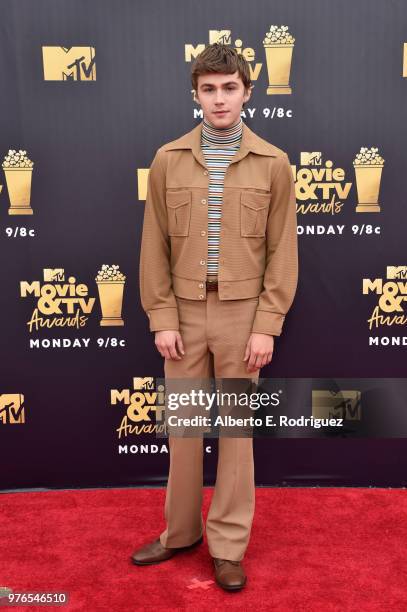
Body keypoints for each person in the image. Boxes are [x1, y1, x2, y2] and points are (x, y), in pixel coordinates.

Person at [132, 43, 298, 592]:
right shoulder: (167, 159)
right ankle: (180, 533)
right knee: (182, 431)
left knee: (235, 435)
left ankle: (228, 545)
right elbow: (153, 244)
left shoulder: (273, 163)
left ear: (248, 92)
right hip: (182, 314)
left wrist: (265, 324)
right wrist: (162, 315)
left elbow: (283, 253)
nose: (219, 98)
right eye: (209, 88)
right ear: (196, 93)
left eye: (230, 88)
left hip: (240, 318)